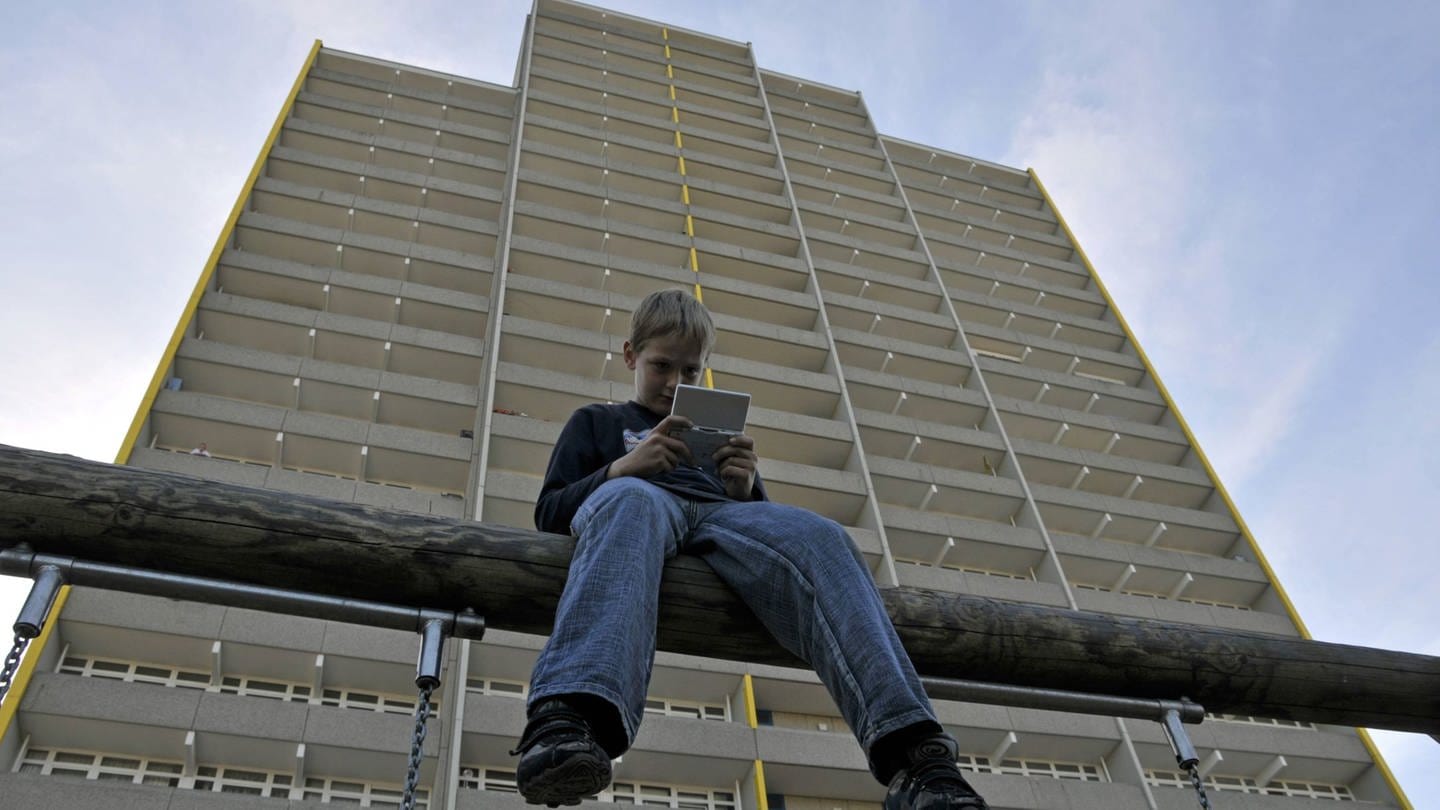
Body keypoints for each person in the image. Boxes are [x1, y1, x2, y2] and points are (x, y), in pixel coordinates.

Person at [511, 289, 988, 810]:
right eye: (661, 365)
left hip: (724, 516)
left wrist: (743, 486)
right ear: (631, 356)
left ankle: (918, 760)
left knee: (824, 536)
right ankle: (568, 722)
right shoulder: (597, 422)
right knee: (629, 501)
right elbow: (551, 512)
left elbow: (768, 531)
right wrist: (620, 468)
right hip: (640, 504)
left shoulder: (713, 430)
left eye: (690, 371)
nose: (674, 383)